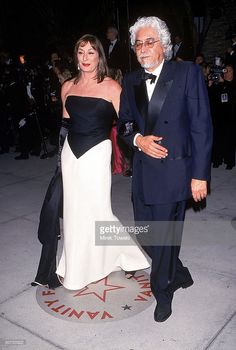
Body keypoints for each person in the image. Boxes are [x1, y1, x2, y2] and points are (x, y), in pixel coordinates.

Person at [117, 16, 213, 322]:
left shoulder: (187, 73)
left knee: (165, 235)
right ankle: (179, 271)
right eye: (138, 44)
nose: (143, 49)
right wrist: (138, 139)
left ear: (164, 46)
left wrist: (200, 175)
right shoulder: (131, 80)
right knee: (147, 234)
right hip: (144, 173)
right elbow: (125, 123)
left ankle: (163, 291)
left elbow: (201, 126)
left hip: (175, 172)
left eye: (150, 42)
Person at [55, 34, 150, 290]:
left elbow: (127, 123)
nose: (86, 58)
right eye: (81, 52)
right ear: (76, 57)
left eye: (91, 52)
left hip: (97, 153)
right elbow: (64, 126)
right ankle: (77, 267)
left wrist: (141, 144)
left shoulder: (111, 87)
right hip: (70, 155)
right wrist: (59, 158)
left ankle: (128, 256)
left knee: (98, 212)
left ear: (100, 56)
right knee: (73, 212)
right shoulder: (67, 87)